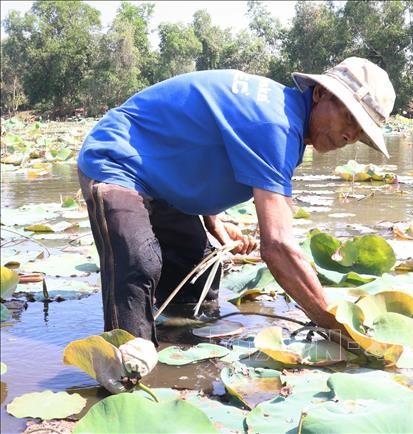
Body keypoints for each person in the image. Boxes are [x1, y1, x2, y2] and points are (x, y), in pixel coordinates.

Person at [77, 57, 395, 345]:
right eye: (350, 118)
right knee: (138, 263)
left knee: (197, 267)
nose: (351, 136)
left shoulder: (285, 121)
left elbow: (202, 141)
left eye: (360, 132)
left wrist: (212, 218)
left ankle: (180, 346)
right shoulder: (278, 125)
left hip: (158, 177)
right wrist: (335, 327)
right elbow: (278, 248)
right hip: (116, 160)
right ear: (319, 94)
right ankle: (128, 366)